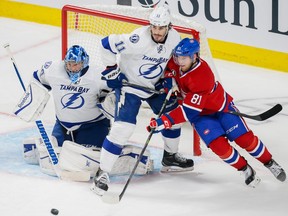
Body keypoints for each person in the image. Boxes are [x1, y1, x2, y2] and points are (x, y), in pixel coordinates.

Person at [148, 38, 286, 187]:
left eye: (183, 58)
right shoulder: (175, 62)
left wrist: (163, 122)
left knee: (245, 139)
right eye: (177, 57)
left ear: (195, 57)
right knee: (219, 147)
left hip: (221, 109)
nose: (179, 61)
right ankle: (245, 169)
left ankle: (269, 162)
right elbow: (169, 70)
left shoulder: (202, 76)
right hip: (201, 116)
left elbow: (188, 111)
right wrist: (170, 83)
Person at [92, 4, 194, 195]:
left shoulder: (174, 38)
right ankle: (102, 171)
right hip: (130, 87)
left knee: (173, 117)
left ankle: (170, 157)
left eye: (161, 27)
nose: (156, 31)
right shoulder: (137, 39)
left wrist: (169, 76)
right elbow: (105, 44)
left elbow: (172, 60)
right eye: (154, 26)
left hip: (154, 87)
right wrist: (110, 69)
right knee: (123, 129)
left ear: (169, 26)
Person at [15, 45, 153, 178]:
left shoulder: (98, 75)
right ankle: (43, 146)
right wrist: (33, 100)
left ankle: (133, 158)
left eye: (76, 64)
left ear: (84, 63)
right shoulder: (53, 69)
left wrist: (109, 99)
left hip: (93, 127)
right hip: (63, 126)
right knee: (55, 158)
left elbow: (119, 87)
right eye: (69, 64)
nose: (72, 68)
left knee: (93, 162)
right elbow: (38, 78)